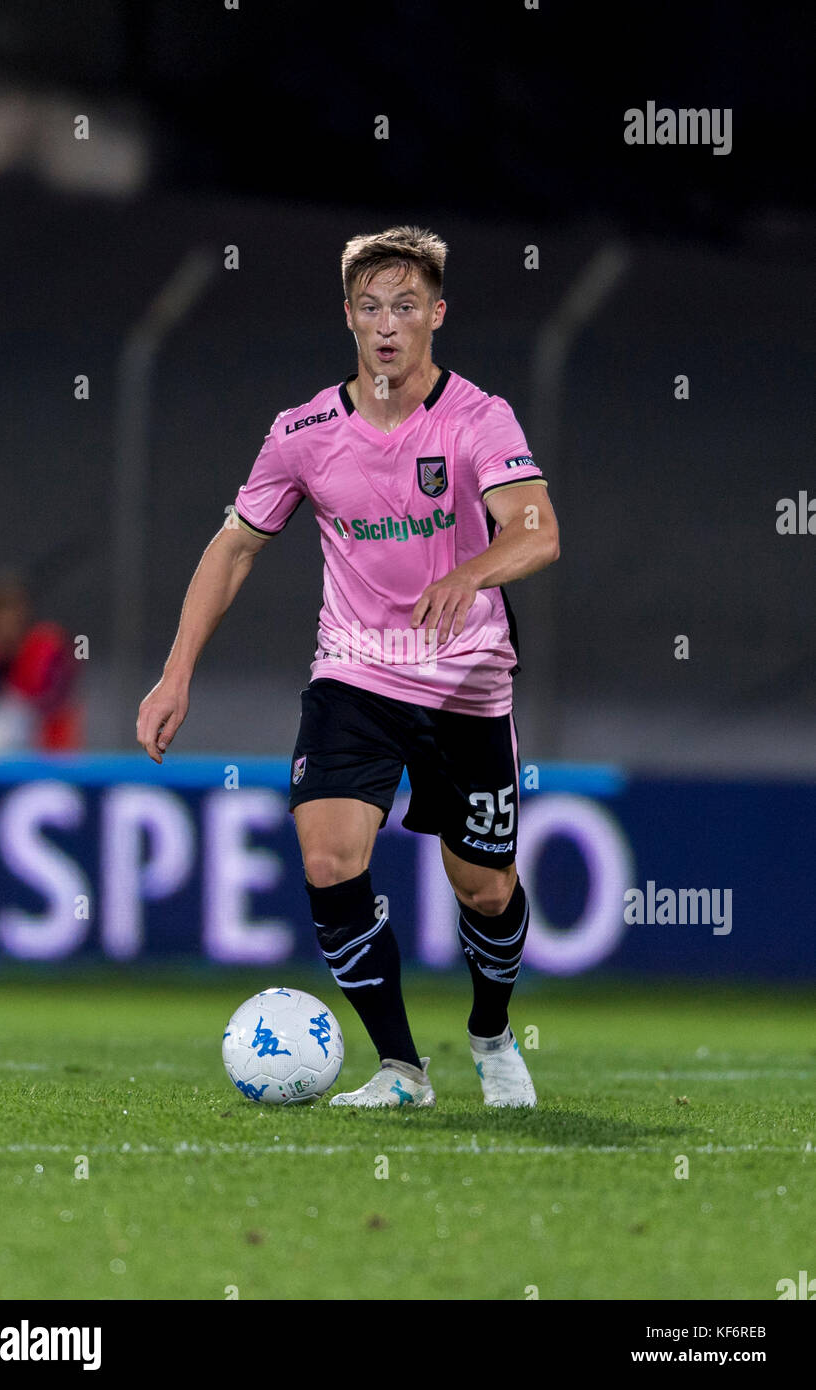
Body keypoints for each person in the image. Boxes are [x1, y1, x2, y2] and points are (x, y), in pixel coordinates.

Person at [137, 226, 559, 1108]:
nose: (388, 326)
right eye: (370, 308)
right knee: (328, 860)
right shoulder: (303, 432)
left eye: (406, 307)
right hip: (354, 674)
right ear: (348, 319)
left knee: (483, 888)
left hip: (464, 682)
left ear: (437, 315)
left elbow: (536, 530)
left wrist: (468, 573)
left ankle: (490, 1034)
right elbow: (233, 550)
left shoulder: (479, 418)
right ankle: (402, 1069)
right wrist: (175, 674)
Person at [0, 575, 81, 751]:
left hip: (48, 754)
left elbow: (56, 701)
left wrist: (16, 663)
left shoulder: (47, 646)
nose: (6, 622)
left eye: (12, 613)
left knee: (12, 717)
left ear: (24, 615)